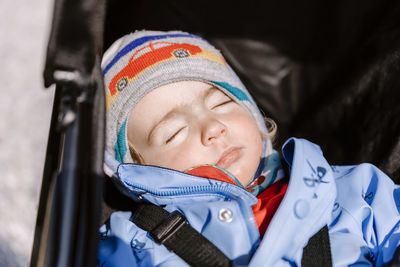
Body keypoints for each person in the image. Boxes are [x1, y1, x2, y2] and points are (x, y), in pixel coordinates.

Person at [98, 30, 400, 266]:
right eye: (174, 133)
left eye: (222, 102)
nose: (213, 127)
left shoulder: (353, 190)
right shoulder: (135, 243)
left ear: (254, 116)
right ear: (136, 173)